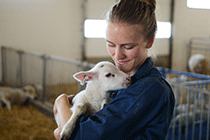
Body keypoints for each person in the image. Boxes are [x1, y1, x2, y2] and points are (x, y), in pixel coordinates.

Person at [53, 0, 175, 139]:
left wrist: (61, 102)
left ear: (150, 41)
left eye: (128, 47)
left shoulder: (150, 89)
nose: (117, 55)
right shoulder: (117, 83)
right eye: (110, 44)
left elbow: (83, 136)